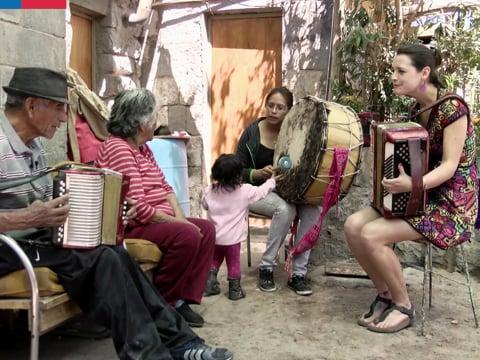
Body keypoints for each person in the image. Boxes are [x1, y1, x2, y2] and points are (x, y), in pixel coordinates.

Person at [0, 67, 233, 360]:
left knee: (113, 250)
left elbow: (47, 203)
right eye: (59, 108)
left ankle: (181, 343)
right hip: (10, 246)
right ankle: (155, 353)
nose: (63, 118)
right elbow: (32, 215)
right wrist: (28, 218)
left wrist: (101, 211)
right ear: (32, 105)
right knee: (103, 257)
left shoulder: (33, 146)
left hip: (36, 238)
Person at [344, 43, 478, 333]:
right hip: (419, 195)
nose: (393, 76)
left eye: (400, 71)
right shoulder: (417, 109)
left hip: (451, 206)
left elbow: (450, 166)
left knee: (372, 234)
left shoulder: (453, 108)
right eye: (393, 70)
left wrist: (412, 184)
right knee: (353, 226)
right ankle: (385, 294)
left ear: (425, 73)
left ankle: (404, 306)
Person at [96, 89, 215, 328]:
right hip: (133, 225)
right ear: (140, 125)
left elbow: (166, 186)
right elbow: (139, 209)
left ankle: (180, 300)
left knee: (207, 229)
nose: (156, 123)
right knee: (188, 235)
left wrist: (181, 217)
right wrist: (180, 225)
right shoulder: (119, 148)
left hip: (158, 219)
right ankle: (161, 302)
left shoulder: (143, 148)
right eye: (153, 120)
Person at [236, 87, 322, 296]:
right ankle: (266, 268)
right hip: (256, 191)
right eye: (270, 105)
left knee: (314, 210)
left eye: (280, 107)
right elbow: (236, 169)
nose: (274, 110)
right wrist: (255, 174)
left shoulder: (296, 132)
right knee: (285, 210)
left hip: (289, 189)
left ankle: (298, 274)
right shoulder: (251, 133)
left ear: (288, 111)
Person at [202, 154, 276, 300]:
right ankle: (234, 290)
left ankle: (209, 284)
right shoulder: (245, 191)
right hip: (233, 240)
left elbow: (205, 205)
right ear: (237, 176)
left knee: (215, 259)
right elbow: (261, 192)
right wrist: (272, 181)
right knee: (233, 263)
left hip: (215, 237)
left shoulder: (209, 190)